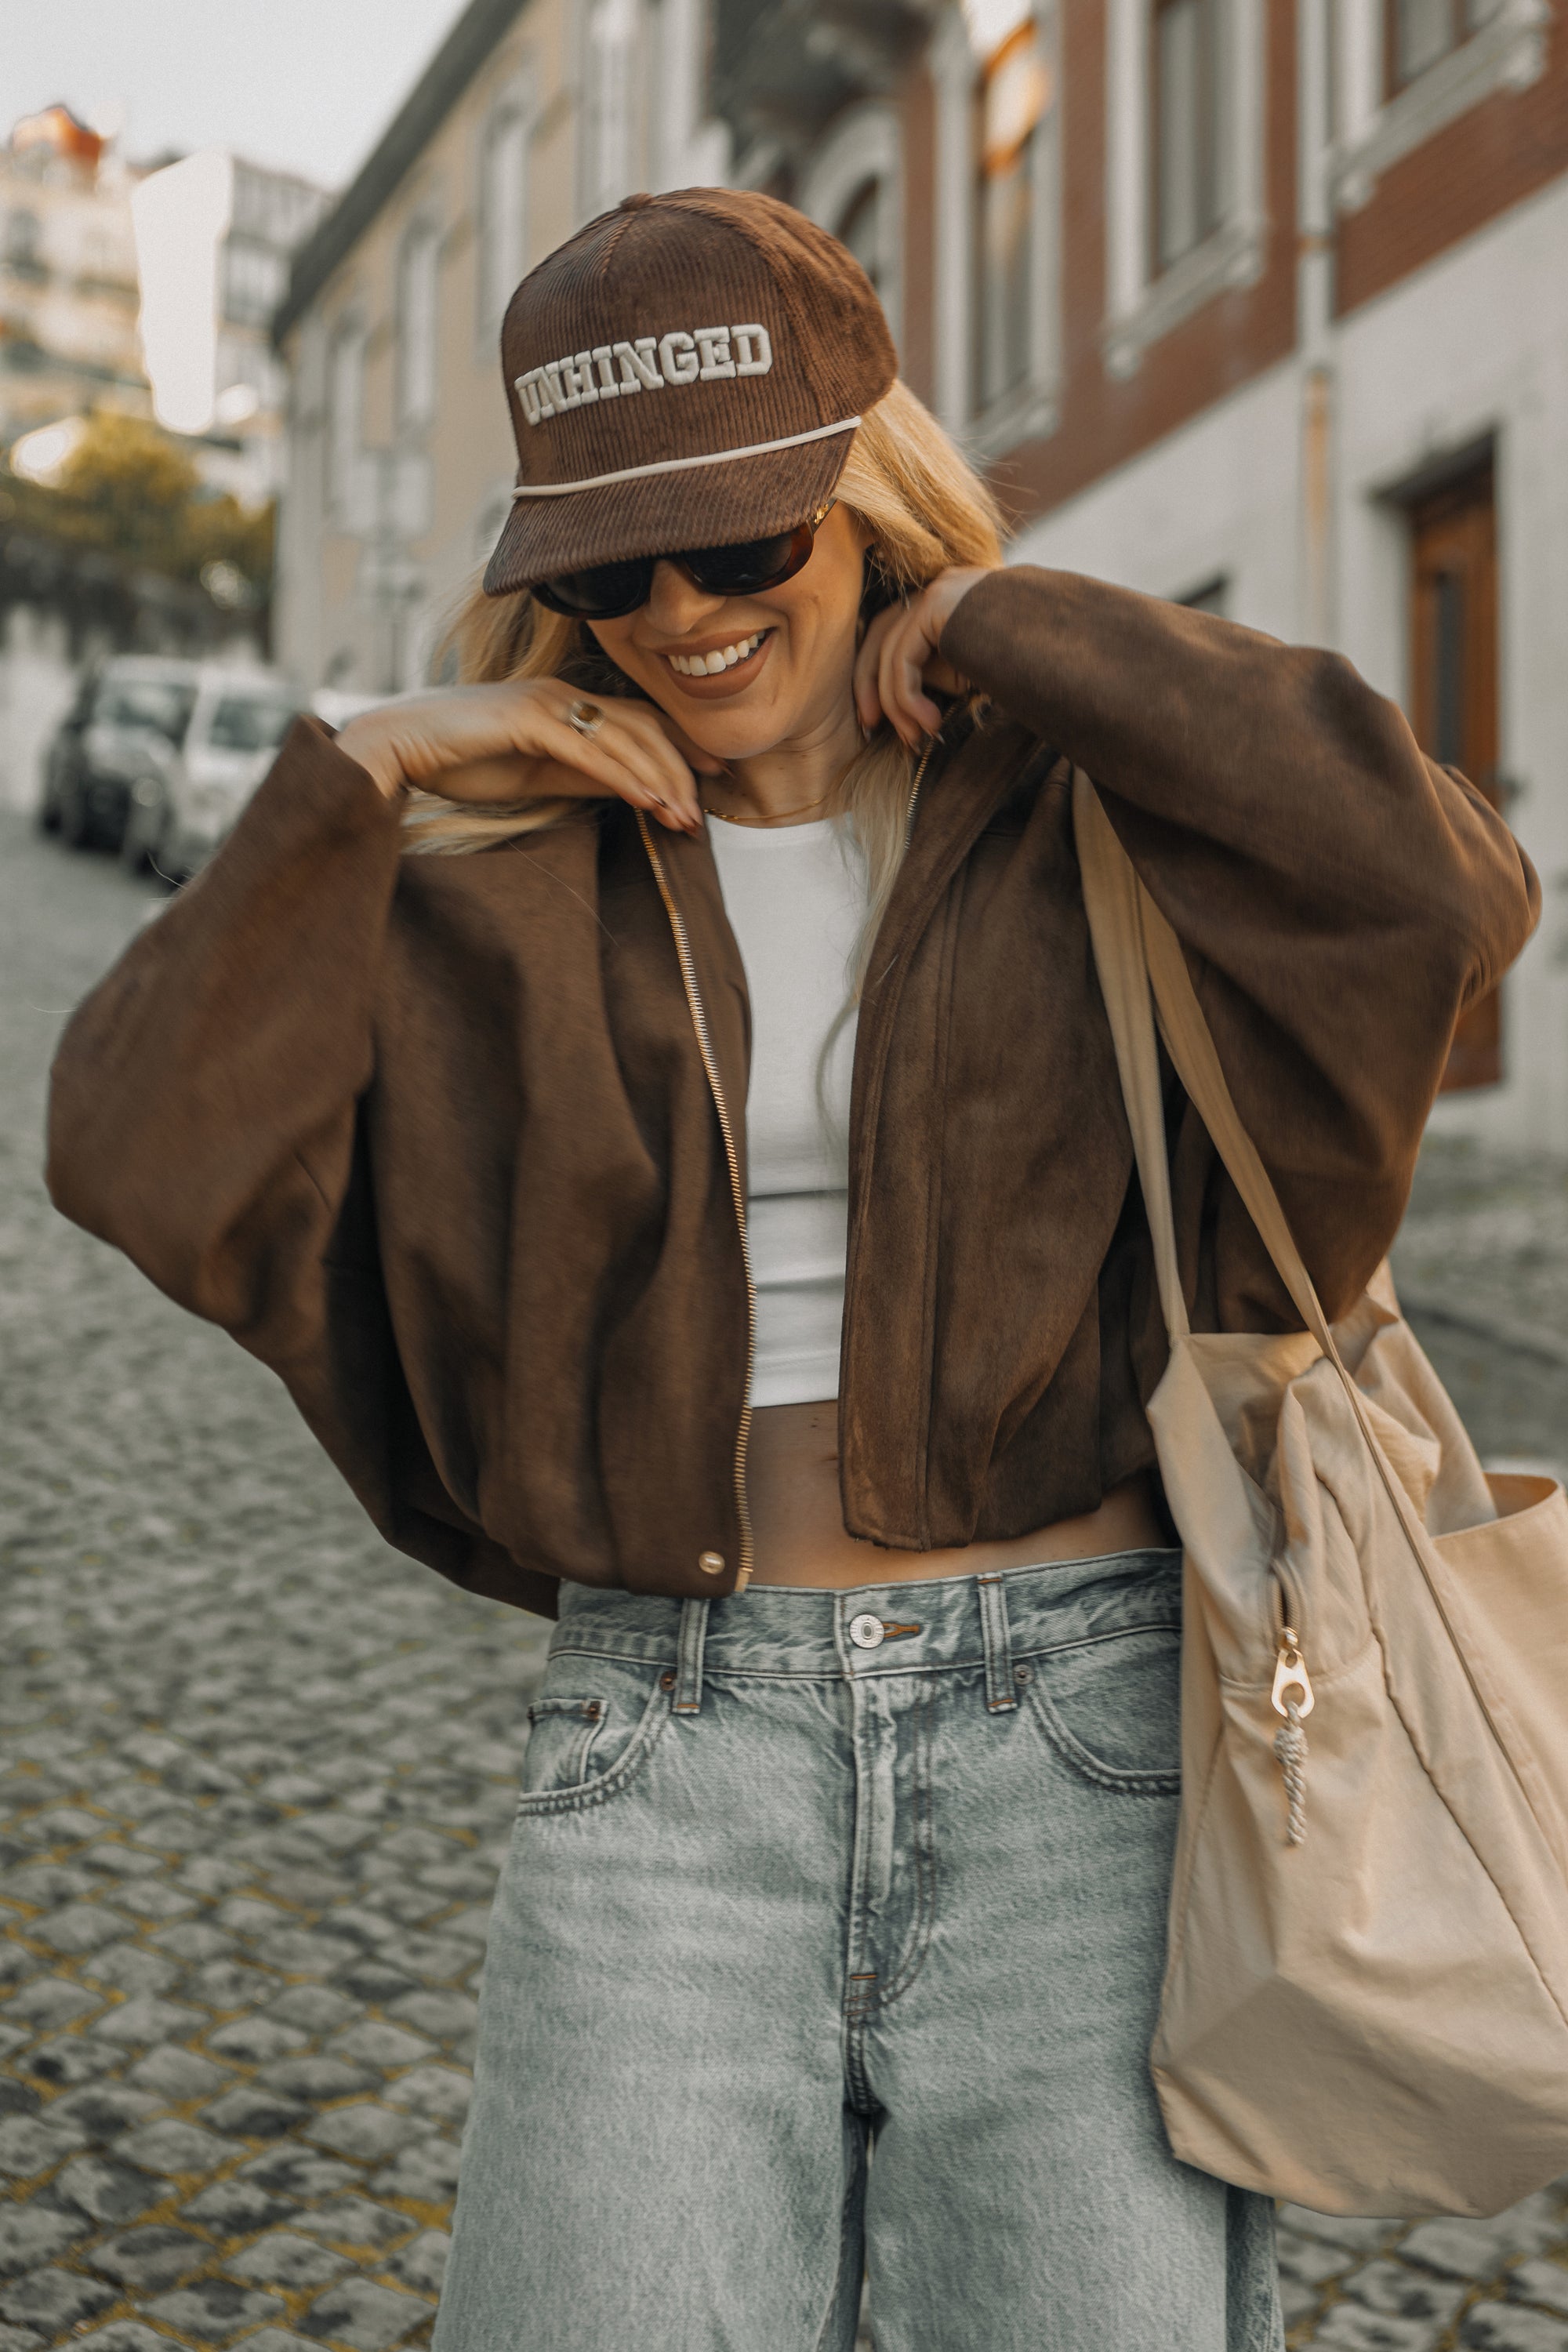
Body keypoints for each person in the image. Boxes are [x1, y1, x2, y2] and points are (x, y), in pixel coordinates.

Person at [48, 190, 1537, 2352]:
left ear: (869, 491)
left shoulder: (1058, 805)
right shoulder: (501, 879)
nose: (682, 611)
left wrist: (1038, 636)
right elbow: (132, 1151)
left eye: (747, 543)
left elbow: (1436, 894)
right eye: (609, 567)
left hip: (1092, 1743)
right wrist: (358, 780)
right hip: (664, 1744)